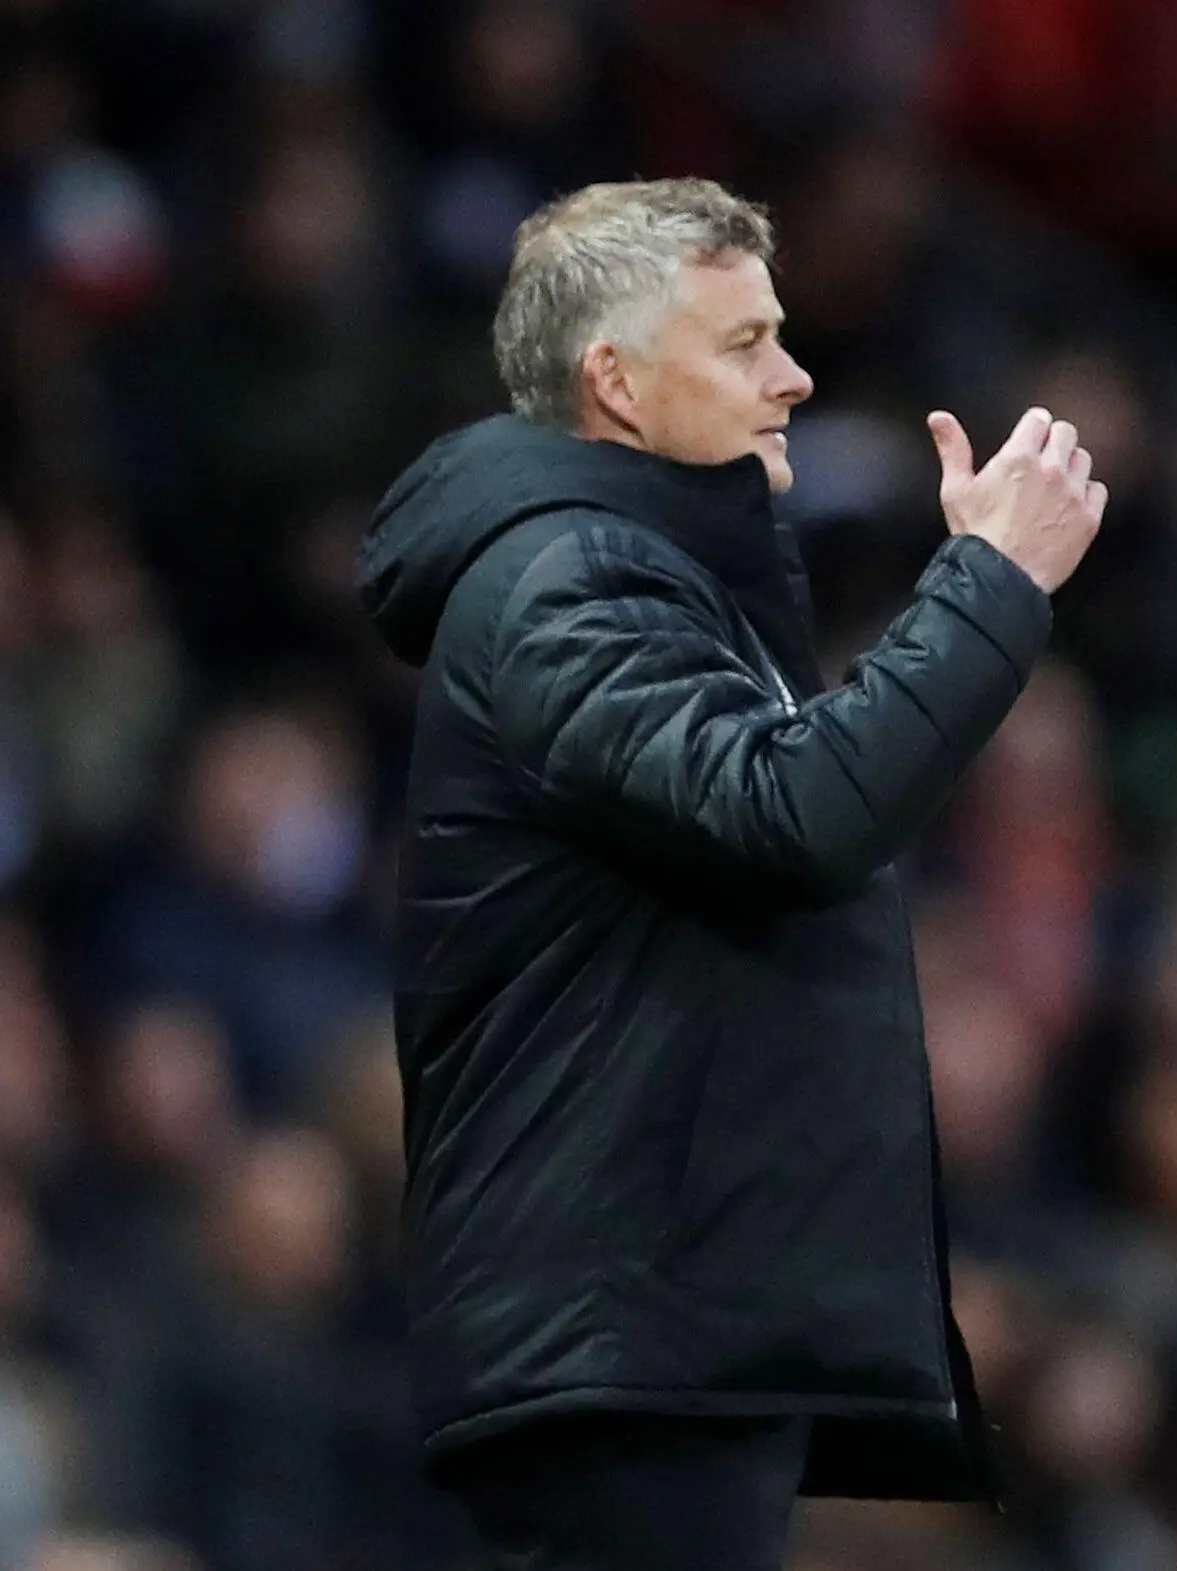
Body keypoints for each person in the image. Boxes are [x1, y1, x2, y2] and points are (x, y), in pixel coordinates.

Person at [355, 178, 1105, 1571]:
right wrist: (991, 582)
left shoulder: (649, 575)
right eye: (747, 342)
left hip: (659, 1322)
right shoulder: (563, 582)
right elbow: (795, 812)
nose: (796, 375)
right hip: (618, 1332)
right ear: (617, 384)